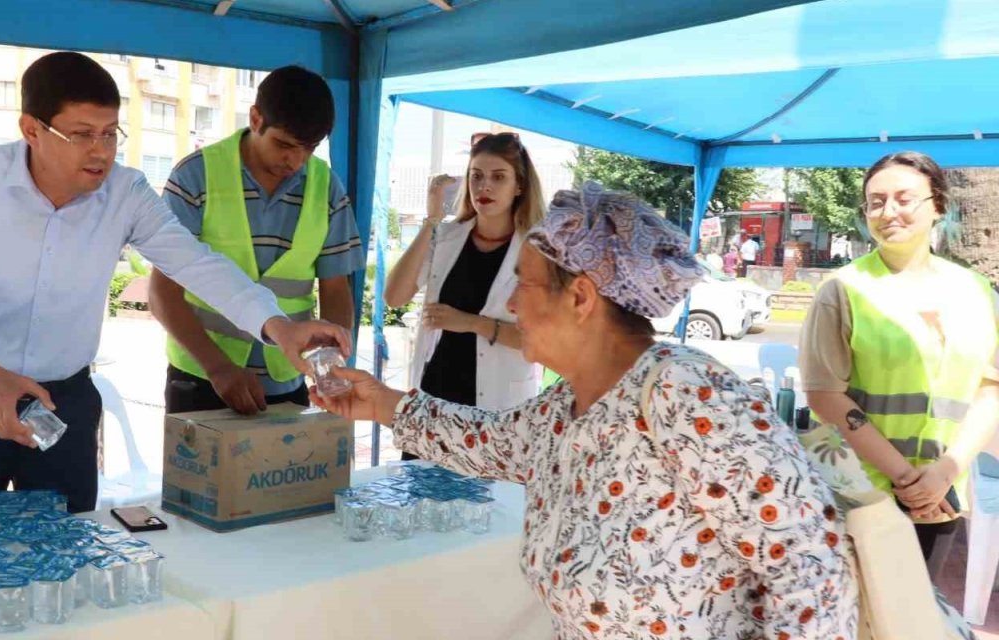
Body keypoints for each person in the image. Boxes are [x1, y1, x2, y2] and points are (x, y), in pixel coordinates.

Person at [313, 183, 858, 639]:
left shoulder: (690, 394)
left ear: (580, 298)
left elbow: (812, 568)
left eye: (522, 284)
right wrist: (381, 403)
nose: (508, 304)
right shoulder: (566, 403)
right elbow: (495, 440)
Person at [0, 52, 347, 513]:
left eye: (111, 133)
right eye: (82, 134)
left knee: (65, 562)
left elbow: (197, 264)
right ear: (31, 130)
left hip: (62, 403)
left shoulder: (125, 192)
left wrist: (278, 326)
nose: (102, 151)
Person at [801, 150, 999, 580]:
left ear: (938, 206)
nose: (888, 211)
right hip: (859, 491)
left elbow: (990, 387)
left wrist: (945, 472)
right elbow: (823, 394)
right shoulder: (843, 289)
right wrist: (908, 478)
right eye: (875, 202)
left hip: (941, 494)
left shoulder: (975, 289)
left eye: (904, 198)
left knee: (915, 615)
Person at [150, 65, 364, 415]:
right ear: (255, 118)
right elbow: (162, 293)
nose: (294, 160)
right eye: (283, 144)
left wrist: (330, 366)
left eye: (308, 149)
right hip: (200, 376)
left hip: (288, 378)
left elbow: (336, 288)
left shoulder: (327, 188)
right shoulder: (194, 176)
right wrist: (217, 366)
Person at [384, 132, 545, 460]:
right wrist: (431, 220)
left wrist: (472, 323)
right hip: (435, 396)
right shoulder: (446, 236)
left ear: (519, 186)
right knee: (420, 499)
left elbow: (543, 341)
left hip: (495, 407)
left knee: (483, 507)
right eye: (477, 176)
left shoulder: (538, 250)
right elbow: (394, 296)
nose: (484, 187)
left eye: (498, 177)